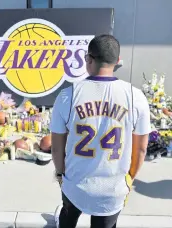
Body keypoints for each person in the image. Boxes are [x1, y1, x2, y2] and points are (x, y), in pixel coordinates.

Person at [50, 34, 151, 228]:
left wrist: (61, 175)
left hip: (75, 184)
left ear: (88, 59)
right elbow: (141, 150)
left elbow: (56, 148)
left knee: (68, 218)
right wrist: (129, 179)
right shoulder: (136, 97)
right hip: (113, 189)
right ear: (117, 61)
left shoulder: (67, 95)